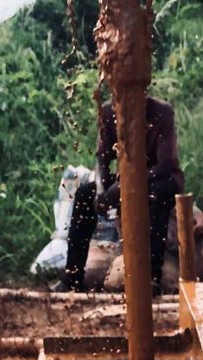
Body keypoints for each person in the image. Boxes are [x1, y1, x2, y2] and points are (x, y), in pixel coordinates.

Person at [55, 95, 184, 293]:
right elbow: (102, 159)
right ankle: (72, 277)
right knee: (83, 195)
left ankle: (151, 277)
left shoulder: (161, 112)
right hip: (126, 178)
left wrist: (124, 185)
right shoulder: (109, 112)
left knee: (158, 195)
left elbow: (164, 166)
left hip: (157, 178)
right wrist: (102, 190)